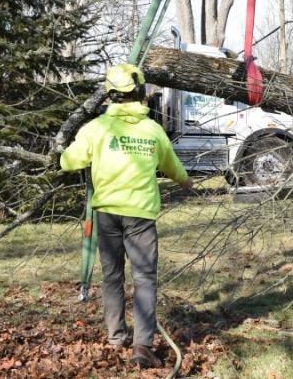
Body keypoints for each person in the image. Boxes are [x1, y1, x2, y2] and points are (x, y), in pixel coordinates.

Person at [60, 63, 193, 368]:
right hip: (141, 216)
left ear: (109, 96)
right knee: (144, 278)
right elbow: (171, 166)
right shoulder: (152, 130)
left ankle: (116, 337)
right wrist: (186, 180)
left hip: (107, 214)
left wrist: (60, 150)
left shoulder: (97, 129)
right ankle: (142, 346)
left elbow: (69, 162)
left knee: (112, 277)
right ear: (142, 93)